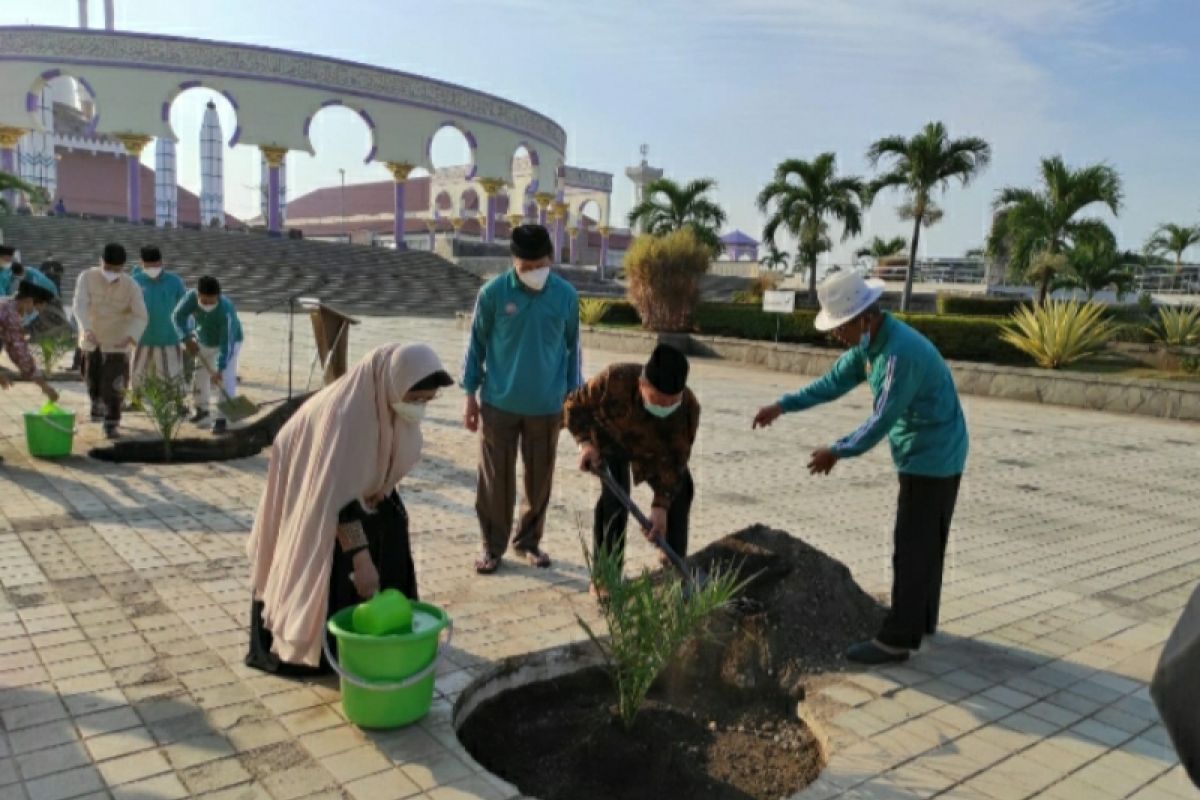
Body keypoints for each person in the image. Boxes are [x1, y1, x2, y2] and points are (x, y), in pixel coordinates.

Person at [753, 271, 968, 665]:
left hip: (933, 453)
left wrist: (837, 450)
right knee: (926, 541)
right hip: (928, 450)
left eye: (840, 327)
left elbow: (881, 419)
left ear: (864, 318)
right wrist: (782, 406)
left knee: (913, 545)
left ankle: (898, 639)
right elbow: (830, 384)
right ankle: (920, 620)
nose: (837, 335)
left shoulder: (897, 355)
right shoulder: (871, 346)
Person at [245, 343, 454, 674]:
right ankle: (322, 642)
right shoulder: (350, 417)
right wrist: (362, 559)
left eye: (426, 401)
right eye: (415, 400)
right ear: (394, 384)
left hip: (351, 483)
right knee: (327, 553)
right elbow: (337, 503)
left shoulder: (386, 399)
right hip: (313, 472)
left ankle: (382, 628)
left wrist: (380, 488)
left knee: (392, 522)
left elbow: (387, 459)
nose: (419, 409)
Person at [461, 223, 581, 574]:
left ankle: (528, 541)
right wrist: (470, 396)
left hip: (548, 407)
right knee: (495, 481)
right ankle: (492, 546)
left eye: (540, 265)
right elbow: (476, 347)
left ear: (551, 259)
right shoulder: (493, 294)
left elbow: (574, 350)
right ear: (514, 261)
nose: (534, 273)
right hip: (499, 404)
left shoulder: (565, 296)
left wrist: (572, 399)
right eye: (526, 267)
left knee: (539, 479)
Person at [564, 344, 699, 597]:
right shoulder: (614, 379)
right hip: (611, 439)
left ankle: (674, 560)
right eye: (659, 399)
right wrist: (585, 444)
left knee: (682, 489)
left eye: (672, 400)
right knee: (615, 499)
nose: (666, 405)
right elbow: (574, 406)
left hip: (654, 450)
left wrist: (661, 505)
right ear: (642, 385)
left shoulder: (689, 407)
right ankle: (605, 578)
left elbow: (677, 461)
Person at [73, 243, 148, 439]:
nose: (112, 273)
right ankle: (98, 411)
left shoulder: (131, 285)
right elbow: (79, 305)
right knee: (92, 381)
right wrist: (86, 329)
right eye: (108, 268)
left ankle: (112, 423)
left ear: (123, 267)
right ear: (101, 262)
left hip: (117, 343)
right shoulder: (86, 277)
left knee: (115, 385)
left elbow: (141, 315)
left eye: (117, 269)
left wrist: (131, 336)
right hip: (92, 340)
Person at [173, 276, 244, 434]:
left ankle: (222, 418)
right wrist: (185, 337)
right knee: (200, 375)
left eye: (211, 302)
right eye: (204, 301)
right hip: (204, 339)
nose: (207, 305)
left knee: (226, 378)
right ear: (197, 294)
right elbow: (177, 317)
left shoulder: (226, 311)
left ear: (218, 296)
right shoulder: (190, 298)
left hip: (229, 342)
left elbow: (227, 344)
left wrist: (220, 369)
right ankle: (202, 410)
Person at [130, 246, 187, 391]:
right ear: (141, 263)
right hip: (143, 337)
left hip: (168, 337)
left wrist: (187, 333)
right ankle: (136, 401)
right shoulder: (134, 281)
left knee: (171, 374)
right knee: (137, 372)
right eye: (148, 266)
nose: (153, 268)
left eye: (156, 265)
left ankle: (176, 402)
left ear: (161, 262)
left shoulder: (174, 281)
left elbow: (185, 309)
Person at [0, 281, 61, 407]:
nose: (35, 312)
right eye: (35, 307)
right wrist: (44, 386)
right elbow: (20, 354)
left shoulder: (6, 305)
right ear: (27, 301)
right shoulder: (10, 315)